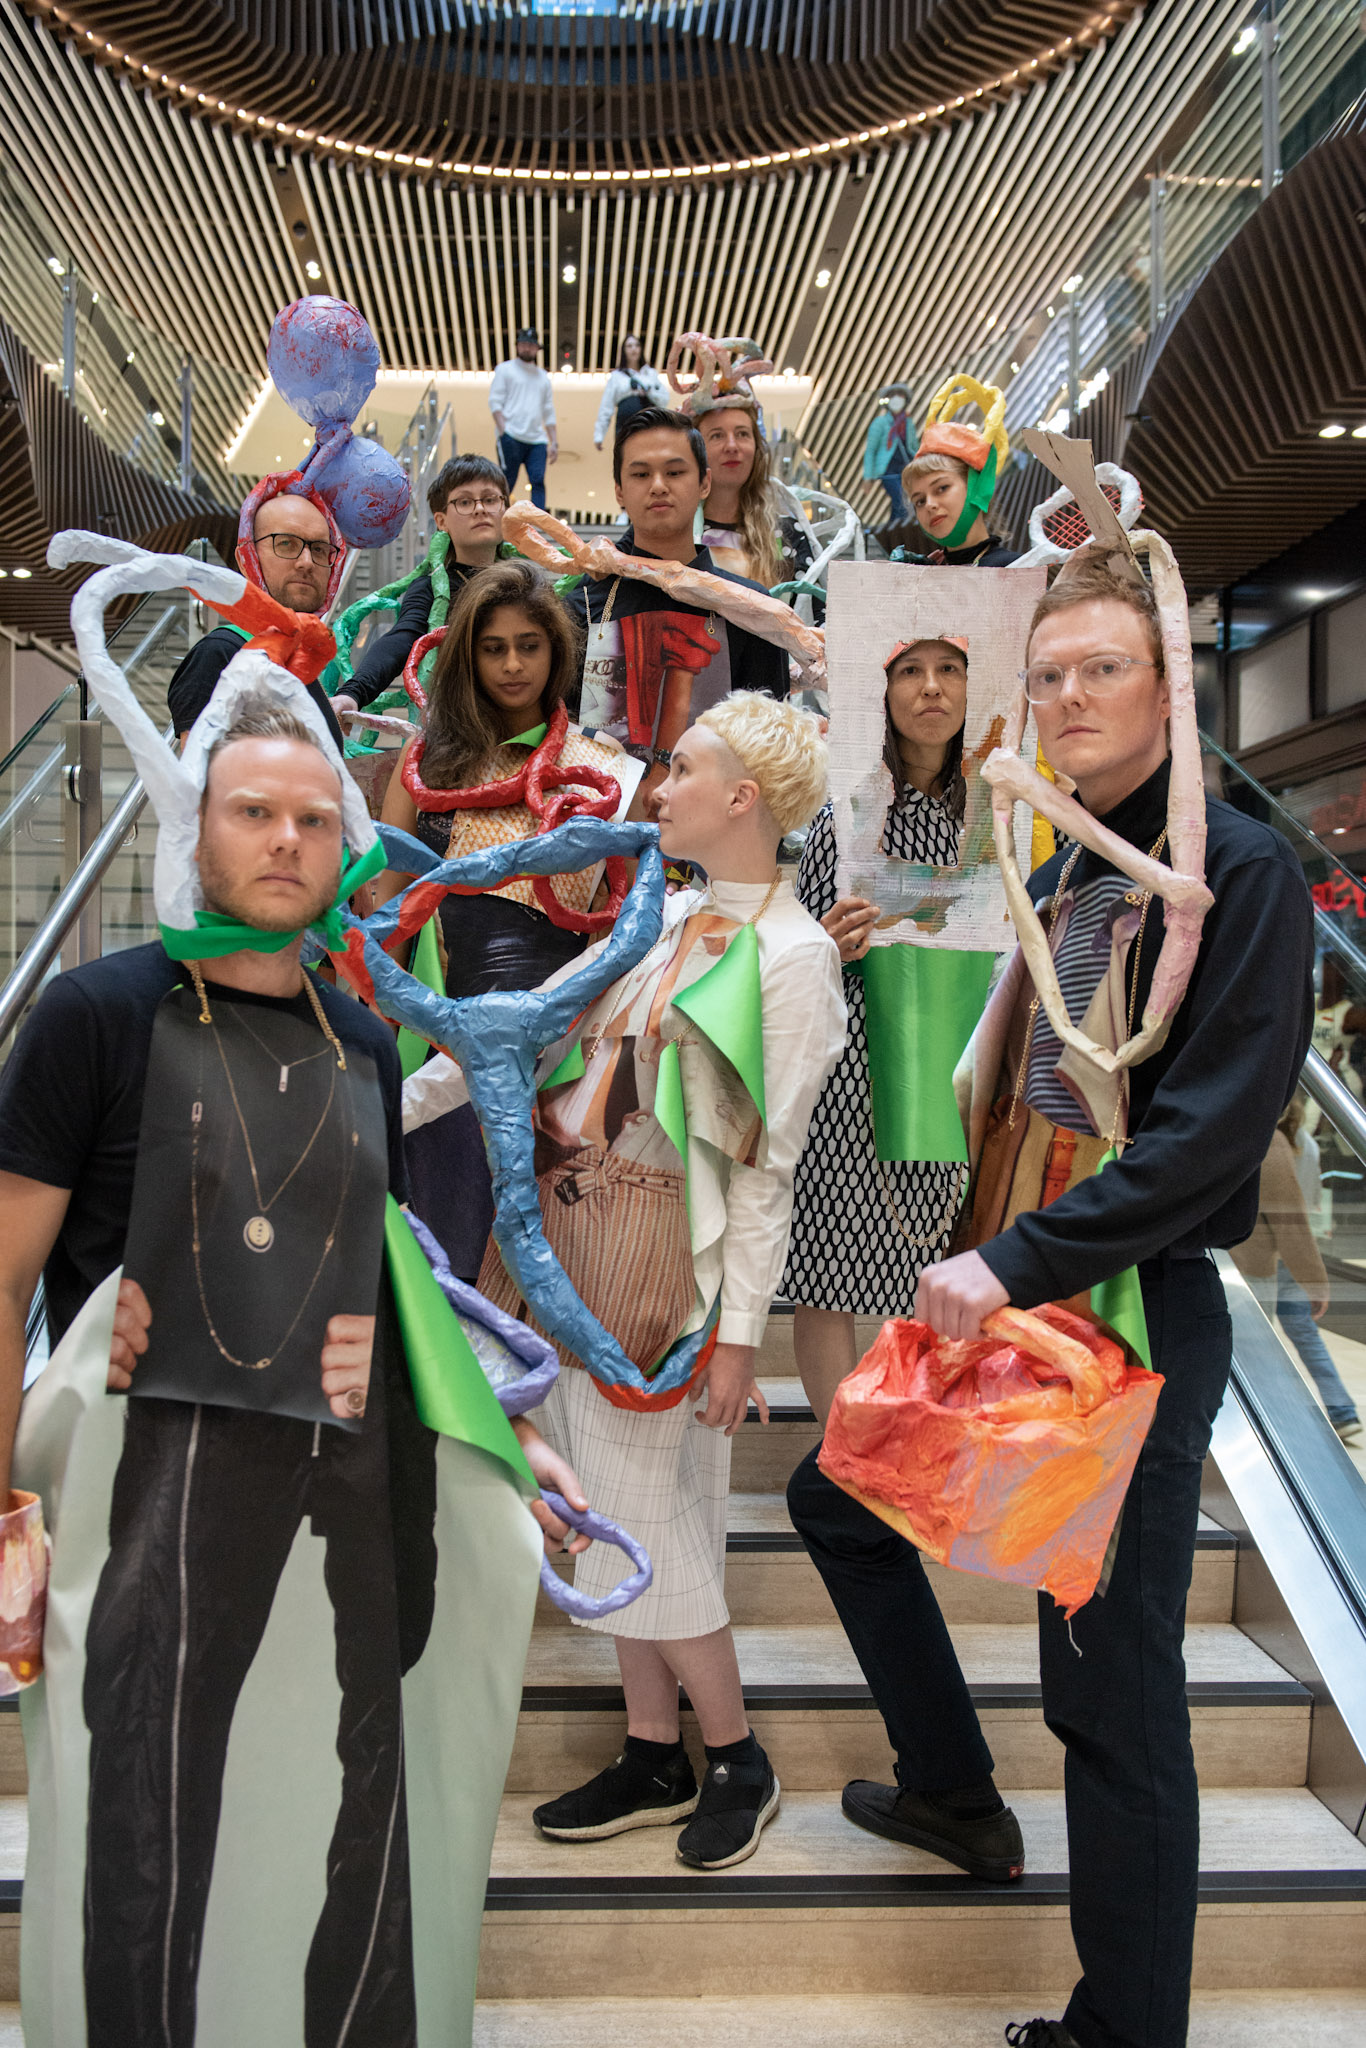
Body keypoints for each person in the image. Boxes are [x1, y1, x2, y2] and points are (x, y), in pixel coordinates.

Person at [0, 692, 588, 2045]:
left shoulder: (363, 1040)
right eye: (252, 812)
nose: (284, 840)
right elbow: (5, 1275)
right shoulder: (96, 1016)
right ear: (195, 831)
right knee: (138, 1781)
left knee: (376, 1766)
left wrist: (507, 1440)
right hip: (149, 1479)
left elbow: (392, 1280)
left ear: (348, 847)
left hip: (351, 1454)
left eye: (315, 820)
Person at [786, 543, 1314, 2048]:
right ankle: (953, 1786)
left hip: (1125, 1315)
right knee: (838, 1499)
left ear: (1168, 689)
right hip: (1025, 1291)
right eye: (1051, 673)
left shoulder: (1236, 873)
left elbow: (1206, 1139)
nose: (1071, 696)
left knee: (1108, 1682)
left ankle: (1123, 2030)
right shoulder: (1070, 857)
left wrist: (1010, 1259)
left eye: (1103, 669)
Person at [459, 692, 846, 1868]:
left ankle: (734, 1752)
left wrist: (736, 1335)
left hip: (662, 1270)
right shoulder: (666, 910)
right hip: (562, 1243)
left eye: (680, 768)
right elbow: (543, 1033)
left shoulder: (795, 954)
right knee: (607, 1508)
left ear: (743, 798)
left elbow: (767, 1162)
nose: (656, 786)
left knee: (639, 1518)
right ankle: (652, 1746)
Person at [378, 559, 629, 1280]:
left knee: (544, 1264)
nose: (513, 664)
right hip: (431, 1032)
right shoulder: (423, 763)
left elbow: (616, 932)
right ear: (468, 655)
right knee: (445, 1246)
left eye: (529, 645)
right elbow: (386, 914)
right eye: (493, 648)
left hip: (558, 1046)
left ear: (556, 652)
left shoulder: (605, 771)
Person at [783, 638, 973, 1422]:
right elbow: (799, 953)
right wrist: (826, 943)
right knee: (828, 1266)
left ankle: (917, 1447)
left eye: (949, 669)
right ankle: (843, 1455)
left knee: (942, 1264)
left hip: (956, 1059)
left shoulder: (1000, 815)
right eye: (909, 671)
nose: (930, 688)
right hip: (854, 1059)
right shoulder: (846, 815)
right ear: (884, 691)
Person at [565, 407, 788, 809]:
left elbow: (770, 749)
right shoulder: (579, 606)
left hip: (720, 832)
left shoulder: (752, 610)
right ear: (619, 491)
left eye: (674, 472)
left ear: (704, 483)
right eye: (640, 474)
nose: (658, 486)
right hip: (597, 828)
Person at [335, 455, 513, 715]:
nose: (480, 509)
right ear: (441, 521)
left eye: (490, 499)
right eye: (464, 502)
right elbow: (402, 638)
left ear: (505, 509)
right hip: (459, 719)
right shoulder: (430, 587)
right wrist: (353, 692)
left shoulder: (526, 582)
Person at [168, 486, 346, 745]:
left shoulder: (300, 658)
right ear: (245, 559)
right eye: (286, 544)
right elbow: (200, 768)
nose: (306, 562)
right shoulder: (222, 654)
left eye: (319, 549)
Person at [1231, 1104, 1362, 1444]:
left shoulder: (1261, 1139)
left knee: (1257, 1349)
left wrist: (1314, 1278)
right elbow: (1307, 1206)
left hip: (1262, 1260)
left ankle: (1275, 1426)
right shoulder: (1304, 1146)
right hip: (1286, 1260)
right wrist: (1313, 1278)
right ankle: (1339, 1412)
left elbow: (1290, 1221)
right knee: (1295, 1338)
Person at [901, 373, 1022, 568]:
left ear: (977, 487)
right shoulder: (923, 572)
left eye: (942, 488)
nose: (929, 505)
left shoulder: (1016, 569)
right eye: (919, 501)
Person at [491, 328, 558, 511]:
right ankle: (498, 518)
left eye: (531, 345)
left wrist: (554, 441)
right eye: (523, 344)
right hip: (511, 435)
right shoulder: (505, 369)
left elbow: (548, 410)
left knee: (538, 480)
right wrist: (504, 431)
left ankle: (538, 522)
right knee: (506, 481)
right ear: (517, 346)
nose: (527, 348)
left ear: (537, 348)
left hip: (537, 439)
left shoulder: (543, 377)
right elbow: (495, 402)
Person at [593, 336, 669, 449]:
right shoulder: (616, 376)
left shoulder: (651, 373)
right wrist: (599, 435)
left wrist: (649, 392)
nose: (634, 349)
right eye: (629, 346)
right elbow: (606, 406)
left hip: (650, 422)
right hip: (625, 424)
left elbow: (664, 400)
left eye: (637, 345)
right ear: (623, 350)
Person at [862, 384, 915, 524]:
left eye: (900, 395)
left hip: (906, 468)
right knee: (901, 502)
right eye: (892, 395)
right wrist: (868, 477)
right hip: (888, 471)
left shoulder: (908, 422)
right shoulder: (880, 422)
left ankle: (891, 533)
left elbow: (913, 446)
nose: (896, 398)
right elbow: (870, 451)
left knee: (898, 506)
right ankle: (902, 533)